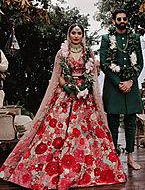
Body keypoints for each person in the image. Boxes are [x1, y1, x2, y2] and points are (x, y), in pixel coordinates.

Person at [0, 23, 126, 190]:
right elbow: (58, 75)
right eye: (73, 32)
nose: (76, 35)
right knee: (53, 131)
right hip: (65, 95)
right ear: (69, 34)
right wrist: (69, 89)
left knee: (90, 131)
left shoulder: (88, 52)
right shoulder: (62, 52)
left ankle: (89, 170)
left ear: (82, 35)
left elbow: (91, 74)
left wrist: (83, 88)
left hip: (85, 95)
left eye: (79, 33)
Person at [100, 9, 144, 170]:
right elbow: (104, 63)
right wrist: (119, 82)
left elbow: (140, 62)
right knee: (113, 123)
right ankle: (114, 159)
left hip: (131, 86)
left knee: (131, 122)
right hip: (113, 87)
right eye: (119, 19)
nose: (122, 21)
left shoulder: (135, 38)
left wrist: (131, 81)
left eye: (124, 18)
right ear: (113, 21)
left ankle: (131, 158)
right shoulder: (106, 39)